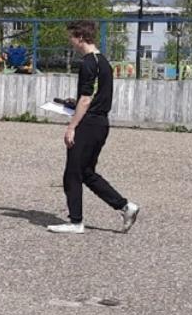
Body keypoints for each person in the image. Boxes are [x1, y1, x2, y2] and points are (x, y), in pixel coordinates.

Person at [46, 21, 141, 234]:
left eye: (71, 38)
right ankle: (125, 207)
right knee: (86, 172)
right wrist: (75, 102)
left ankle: (75, 222)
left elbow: (87, 99)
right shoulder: (103, 62)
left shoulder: (88, 63)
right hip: (100, 124)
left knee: (72, 174)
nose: (70, 42)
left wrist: (72, 126)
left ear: (80, 37)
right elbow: (94, 96)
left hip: (88, 124)